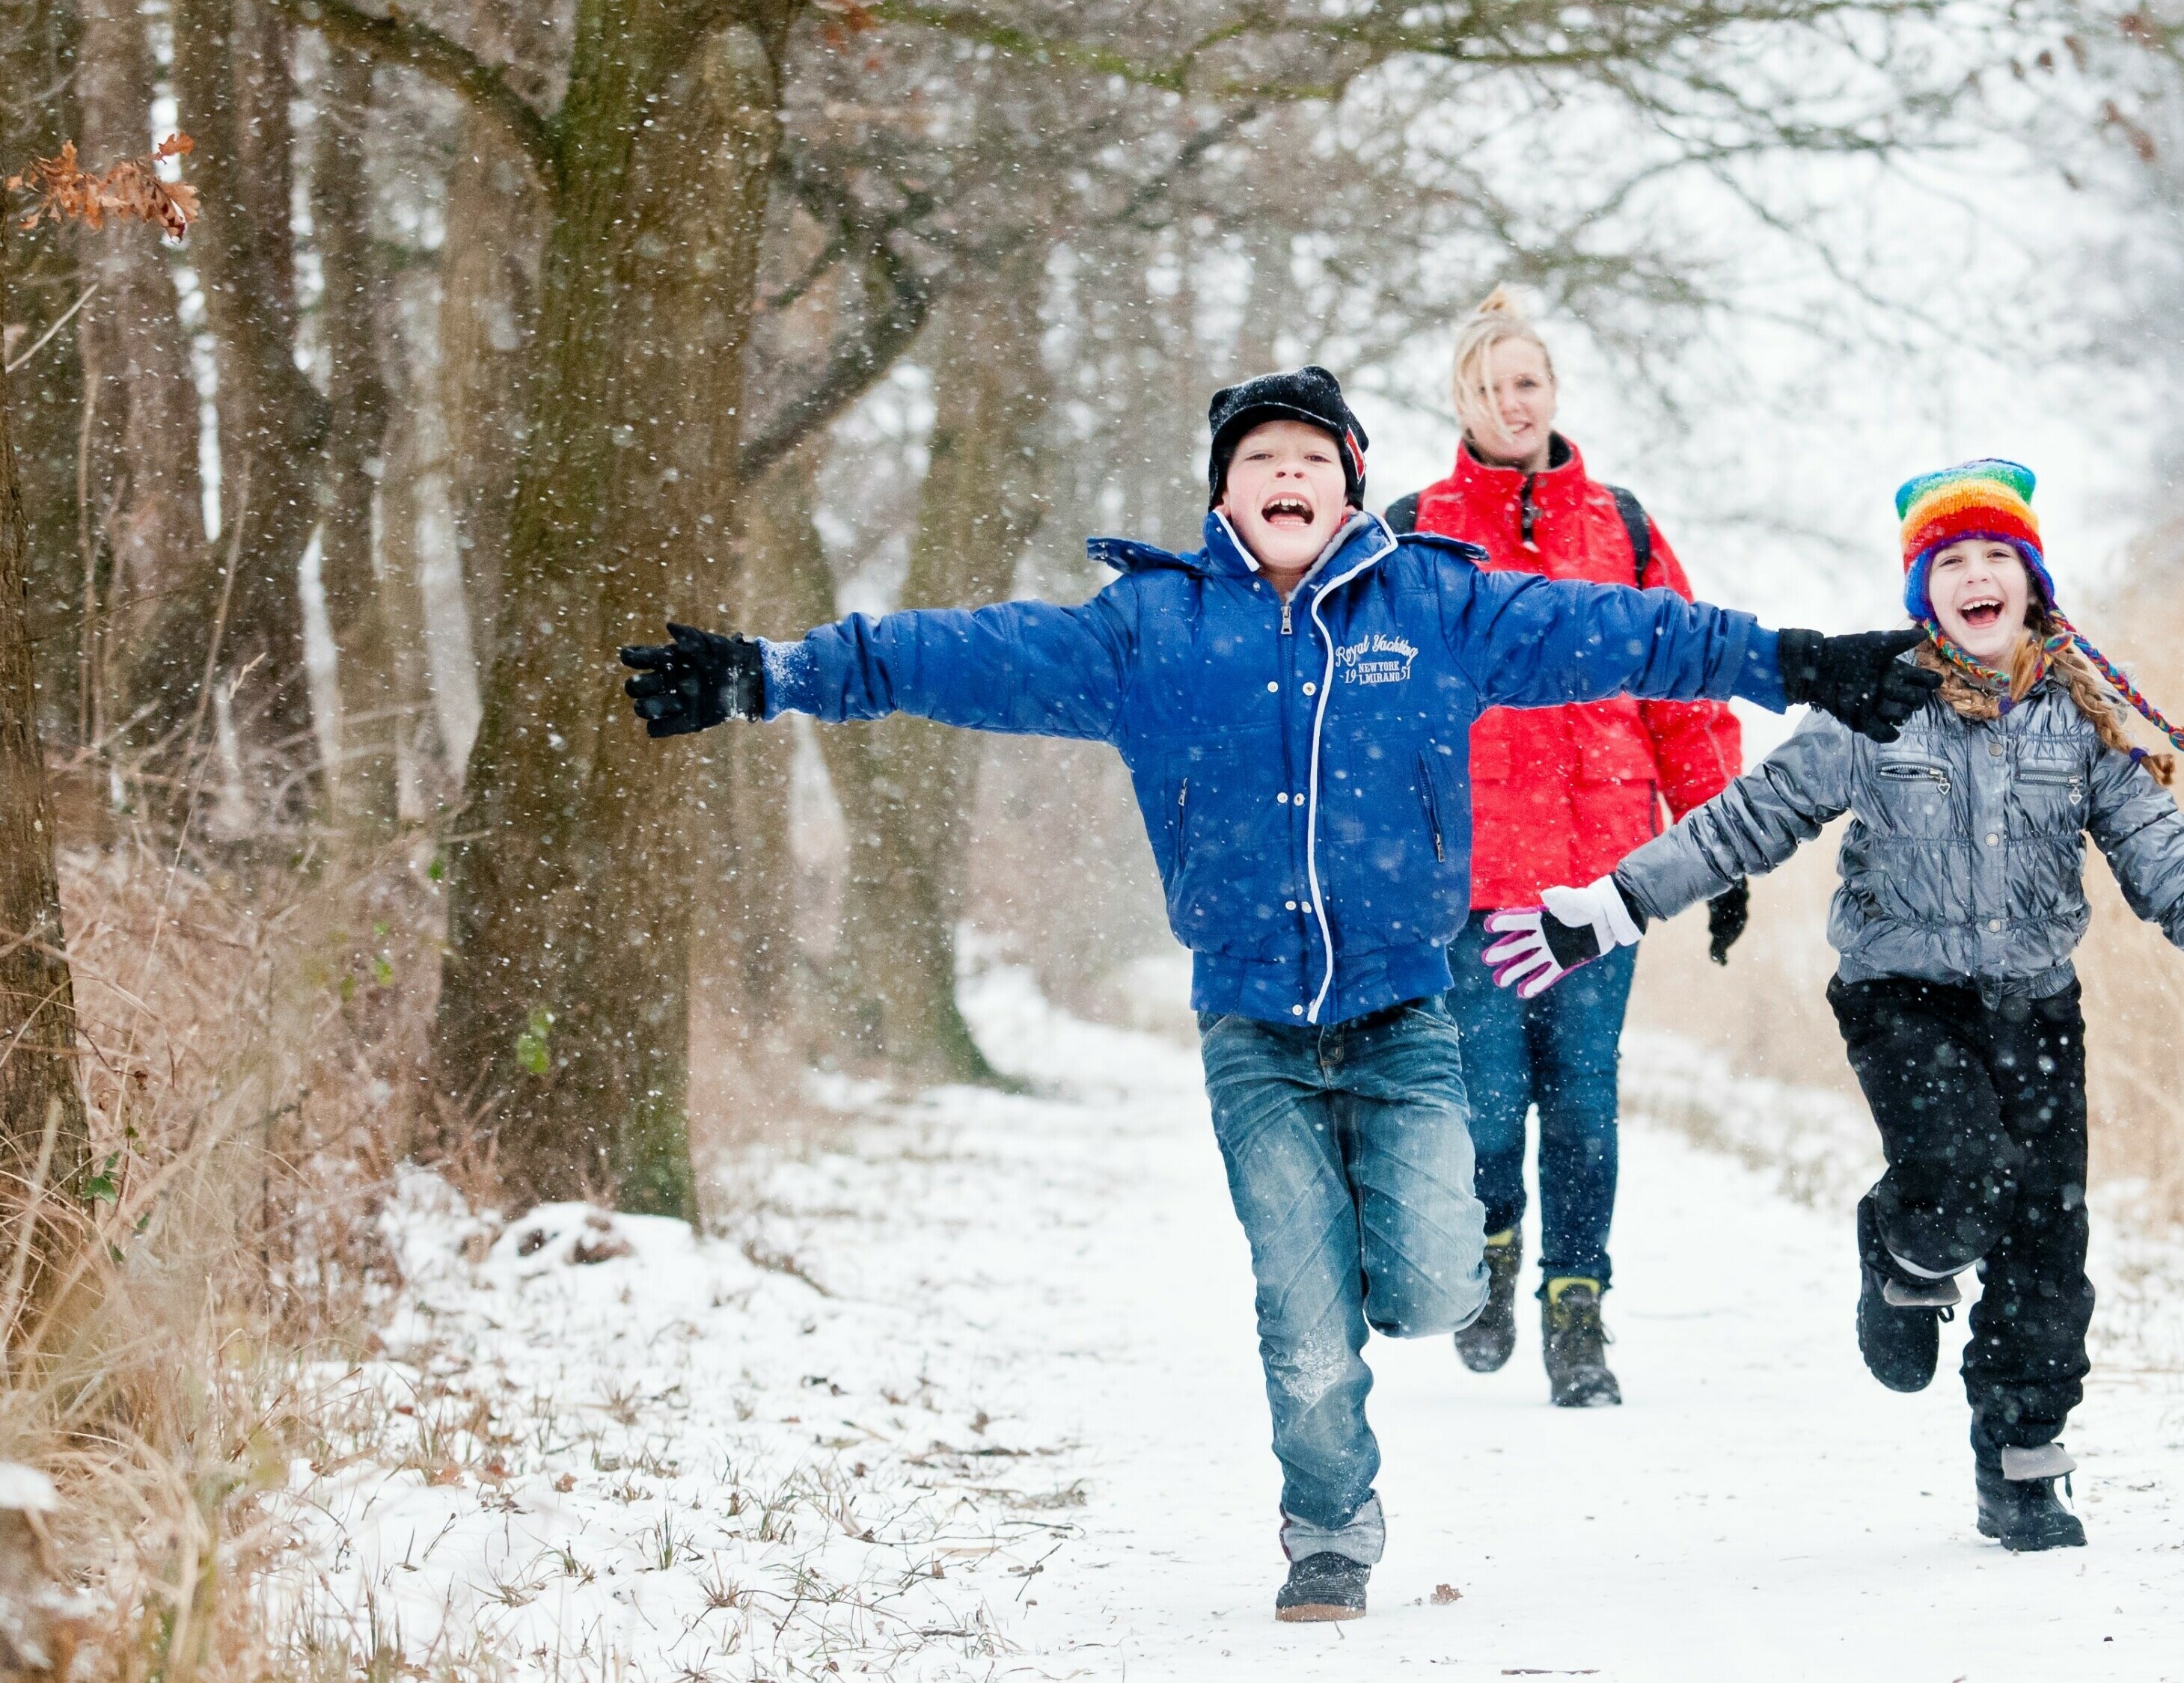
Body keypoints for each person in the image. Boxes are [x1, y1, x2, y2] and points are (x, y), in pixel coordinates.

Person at [615, 367, 1945, 1620]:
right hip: (1252, 1028)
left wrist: (1793, 660)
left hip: (1403, 1016)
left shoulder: (1436, 607)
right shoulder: (1156, 627)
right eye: (1262, 460)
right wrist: (771, 673)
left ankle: (1387, 1244)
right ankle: (1328, 1524)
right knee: (1302, 1316)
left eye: (1313, 457)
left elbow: (1615, 631)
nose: (1287, 475)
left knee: (1432, 1288)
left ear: (1353, 487)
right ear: (1224, 495)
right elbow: (964, 654)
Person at [1478, 457, 2184, 1554]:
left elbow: (2168, 861)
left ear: (2032, 579)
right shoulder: (1879, 704)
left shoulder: (2082, 717)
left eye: (1995, 556)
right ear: (1923, 591)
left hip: (2038, 1005)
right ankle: (1903, 1253)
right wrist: (1613, 905)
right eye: (1949, 561)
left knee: (2048, 1243)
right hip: (1899, 995)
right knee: (1960, 1177)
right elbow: (1745, 822)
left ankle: (2021, 1466)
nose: (1974, 576)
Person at [1383, 291, 1747, 1407]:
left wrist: (1716, 843)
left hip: (1604, 872)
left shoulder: (1621, 527)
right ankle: (1491, 1255)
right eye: (1490, 385)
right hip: (1472, 878)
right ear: (1464, 401)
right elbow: (1371, 706)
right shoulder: (1410, 530)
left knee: (1584, 1097)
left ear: (1552, 392)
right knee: (1487, 1098)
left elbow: (1682, 684)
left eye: (1527, 381)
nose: (1511, 401)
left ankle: (1577, 1310)